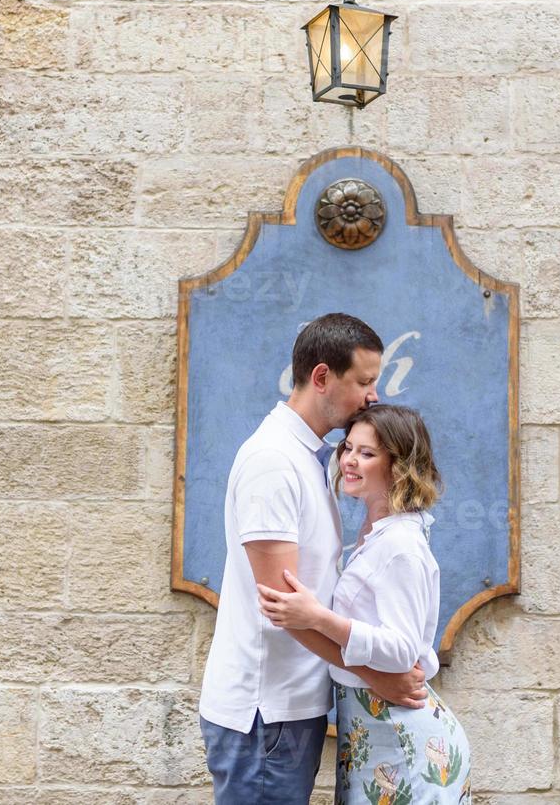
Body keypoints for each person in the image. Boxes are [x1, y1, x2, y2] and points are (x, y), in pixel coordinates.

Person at [199, 314, 430, 805]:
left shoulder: (307, 458)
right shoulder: (273, 462)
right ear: (322, 377)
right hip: (265, 714)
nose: (373, 395)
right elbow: (282, 608)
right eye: (364, 381)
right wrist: (378, 676)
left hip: (290, 707)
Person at [259, 404, 472, 804]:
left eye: (367, 453)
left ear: (399, 465)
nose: (350, 461)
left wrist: (317, 618)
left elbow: (401, 650)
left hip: (406, 745)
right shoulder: (376, 532)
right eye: (348, 448)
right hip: (374, 734)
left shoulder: (399, 546)